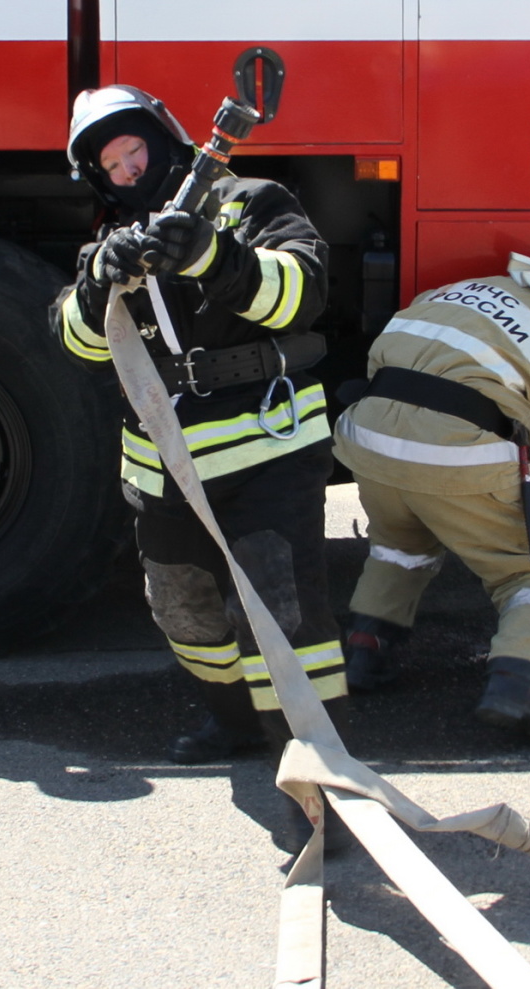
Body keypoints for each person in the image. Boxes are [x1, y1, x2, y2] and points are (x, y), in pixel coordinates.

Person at [51, 85, 346, 793]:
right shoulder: (111, 244)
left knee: (283, 617)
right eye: (111, 163)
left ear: (164, 138)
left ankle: (318, 772)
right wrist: (98, 282)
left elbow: (303, 290)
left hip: (265, 448)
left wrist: (217, 257)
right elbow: (75, 340)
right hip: (165, 469)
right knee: (181, 607)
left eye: (134, 149)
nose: (127, 169)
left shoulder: (251, 200)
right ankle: (234, 719)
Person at [335, 251, 530, 741]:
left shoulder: (463, 289)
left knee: (401, 543)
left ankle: (363, 650)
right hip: (454, 450)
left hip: (366, 434)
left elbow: (382, 354)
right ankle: (525, 686)